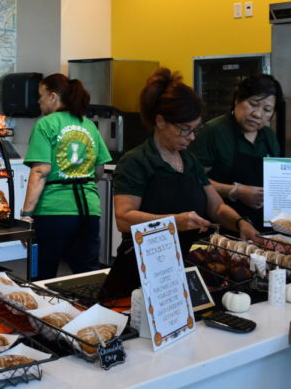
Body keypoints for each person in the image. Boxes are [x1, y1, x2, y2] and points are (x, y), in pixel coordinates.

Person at [100, 68, 258, 300]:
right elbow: (124, 219)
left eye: (195, 129)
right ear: (160, 121)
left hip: (179, 269)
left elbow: (216, 207)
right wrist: (176, 222)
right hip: (138, 273)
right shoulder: (137, 162)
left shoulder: (189, 161)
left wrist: (240, 223)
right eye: (185, 129)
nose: (192, 137)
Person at [21, 73, 112, 280]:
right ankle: (89, 310)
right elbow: (99, 170)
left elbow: (40, 171)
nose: (39, 101)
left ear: (53, 97)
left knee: (44, 273)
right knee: (87, 274)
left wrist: (26, 213)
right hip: (89, 210)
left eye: (41, 95)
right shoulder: (88, 125)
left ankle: (45, 311)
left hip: (54, 211)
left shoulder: (46, 124)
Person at [190, 74, 283, 228]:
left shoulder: (269, 137)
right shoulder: (214, 132)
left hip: (263, 227)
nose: (258, 114)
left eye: (267, 110)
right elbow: (193, 181)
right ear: (237, 100)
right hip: (221, 226)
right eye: (253, 104)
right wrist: (236, 191)